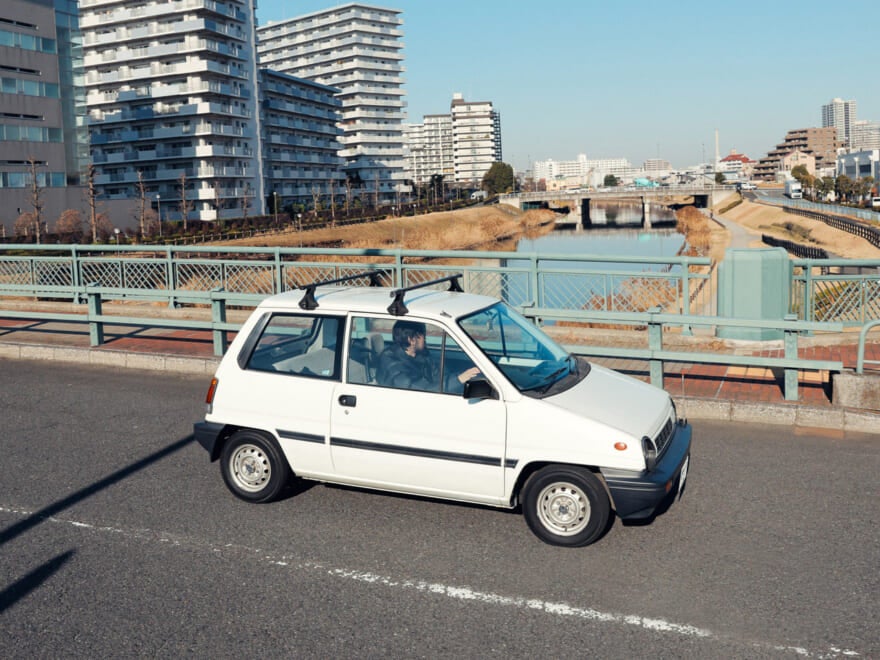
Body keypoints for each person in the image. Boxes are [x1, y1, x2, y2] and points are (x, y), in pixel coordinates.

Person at [376, 320, 479, 391]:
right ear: (411, 340)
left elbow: (439, 375)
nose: (425, 339)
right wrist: (458, 380)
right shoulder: (394, 368)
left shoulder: (420, 354)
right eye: (422, 336)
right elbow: (424, 391)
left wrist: (462, 377)